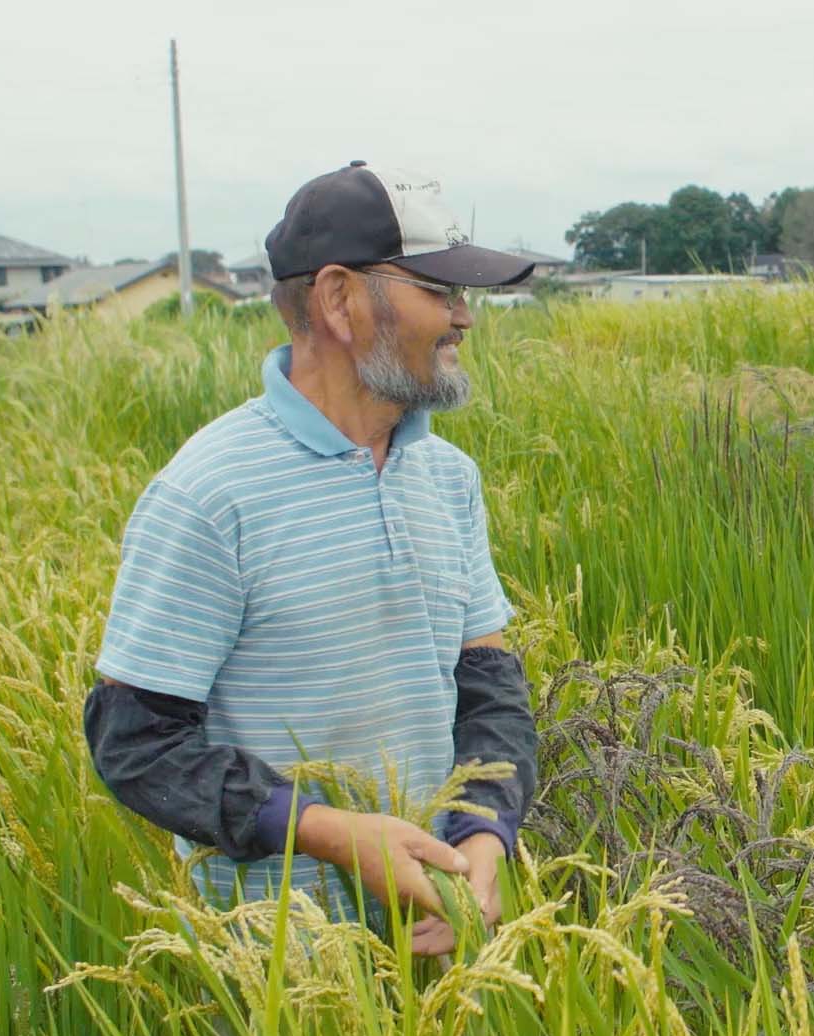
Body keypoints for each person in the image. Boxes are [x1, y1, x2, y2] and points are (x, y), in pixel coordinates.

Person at [83, 162, 539, 954]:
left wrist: (484, 834)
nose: (465, 318)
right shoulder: (210, 493)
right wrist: (330, 833)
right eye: (439, 290)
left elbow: (489, 687)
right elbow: (135, 742)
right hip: (280, 970)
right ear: (338, 298)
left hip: (444, 934)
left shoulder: (449, 478)